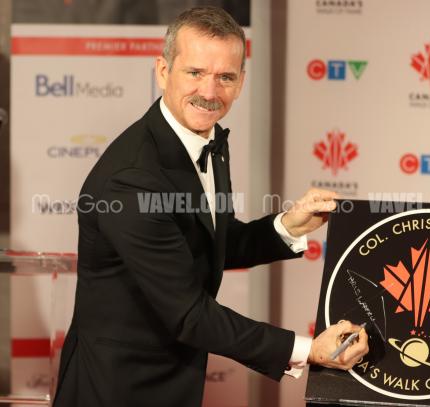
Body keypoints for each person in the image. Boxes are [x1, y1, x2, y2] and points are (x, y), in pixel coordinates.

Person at [53, 6, 368, 407]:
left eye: (225, 77)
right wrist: (309, 350)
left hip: (176, 378)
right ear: (163, 70)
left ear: (240, 83)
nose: (209, 92)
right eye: (195, 73)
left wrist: (288, 225)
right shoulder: (131, 178)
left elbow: (208, 242)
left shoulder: (207, 140)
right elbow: (189, 314)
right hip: (116, 388)